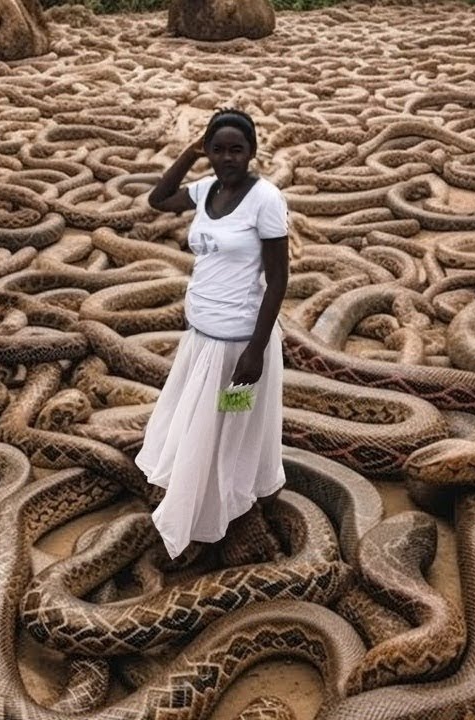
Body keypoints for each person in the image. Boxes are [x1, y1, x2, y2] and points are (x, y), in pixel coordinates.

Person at [136, 108, 290, 562]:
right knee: (203, 422)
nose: (227, 158)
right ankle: (207, 500)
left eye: (236, 150)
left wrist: (256, 349)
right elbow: (158, 200)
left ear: (252, 152)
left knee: (231, 424)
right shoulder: (205, 191)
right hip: (201, 340)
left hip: (239, 346)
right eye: (217, 149)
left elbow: (278, 279)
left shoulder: (266, 199)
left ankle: (222, 509)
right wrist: (189, 152)